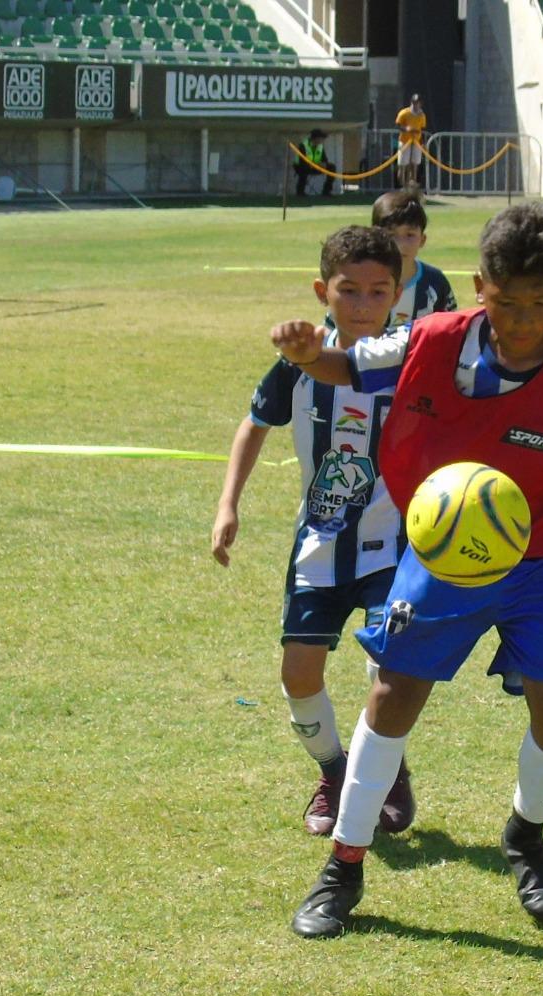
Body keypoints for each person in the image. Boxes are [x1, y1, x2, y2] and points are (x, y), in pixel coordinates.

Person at [269, 202, 543, 938]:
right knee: (393, 693)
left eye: (540, 302)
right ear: (481, 286)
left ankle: (526, 834)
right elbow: (352, 363)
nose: (523, 318)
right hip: (443, 556)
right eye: (506, 302)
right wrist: (308, 353)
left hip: (539, 563)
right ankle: (343, 865)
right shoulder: (434, 339)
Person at [211, 225, 416, 840]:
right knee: (298, 674)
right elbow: (254, 425)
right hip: (321, 545)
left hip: (395, 546)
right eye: (347, 290)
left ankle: (388, 771)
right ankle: (333, 770)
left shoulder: (411, 360)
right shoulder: (299, 363)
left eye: (377, 292)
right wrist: (229, 503)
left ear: (397, 293)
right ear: (321, 290)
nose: (361, 305)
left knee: (394, 676)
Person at [371, 189, 457, 328]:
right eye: (391, 235)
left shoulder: (435, 282)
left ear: (422, 240)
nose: (400, 244)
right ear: (374, 236)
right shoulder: (361, 279)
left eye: (410, 235)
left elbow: (451, 330)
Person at [394, 94, 426, 189]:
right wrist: (407, 129)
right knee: (403, 165)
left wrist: (422, 142)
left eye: (418, 103)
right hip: (404, 141)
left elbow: (422, 129)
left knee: (414, 164)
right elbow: (398, 125)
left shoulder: (422, 115)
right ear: (411, 102)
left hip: (416, 141)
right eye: (414, 102)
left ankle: (412, 185)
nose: (416, 105)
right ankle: (402, 186)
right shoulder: (404, 113)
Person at [294, 129, 337, 197]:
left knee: (332, 167)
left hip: (315, 167)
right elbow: (301, 161)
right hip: (301, 167)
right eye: (321, 138)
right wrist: (314, 165)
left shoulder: (320, 146)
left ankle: (326, 191)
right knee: (304, 168)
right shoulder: (303, 145)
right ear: (316, 138)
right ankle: (300, 192)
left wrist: (324, 164)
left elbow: (324, 159)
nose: (322, 140)